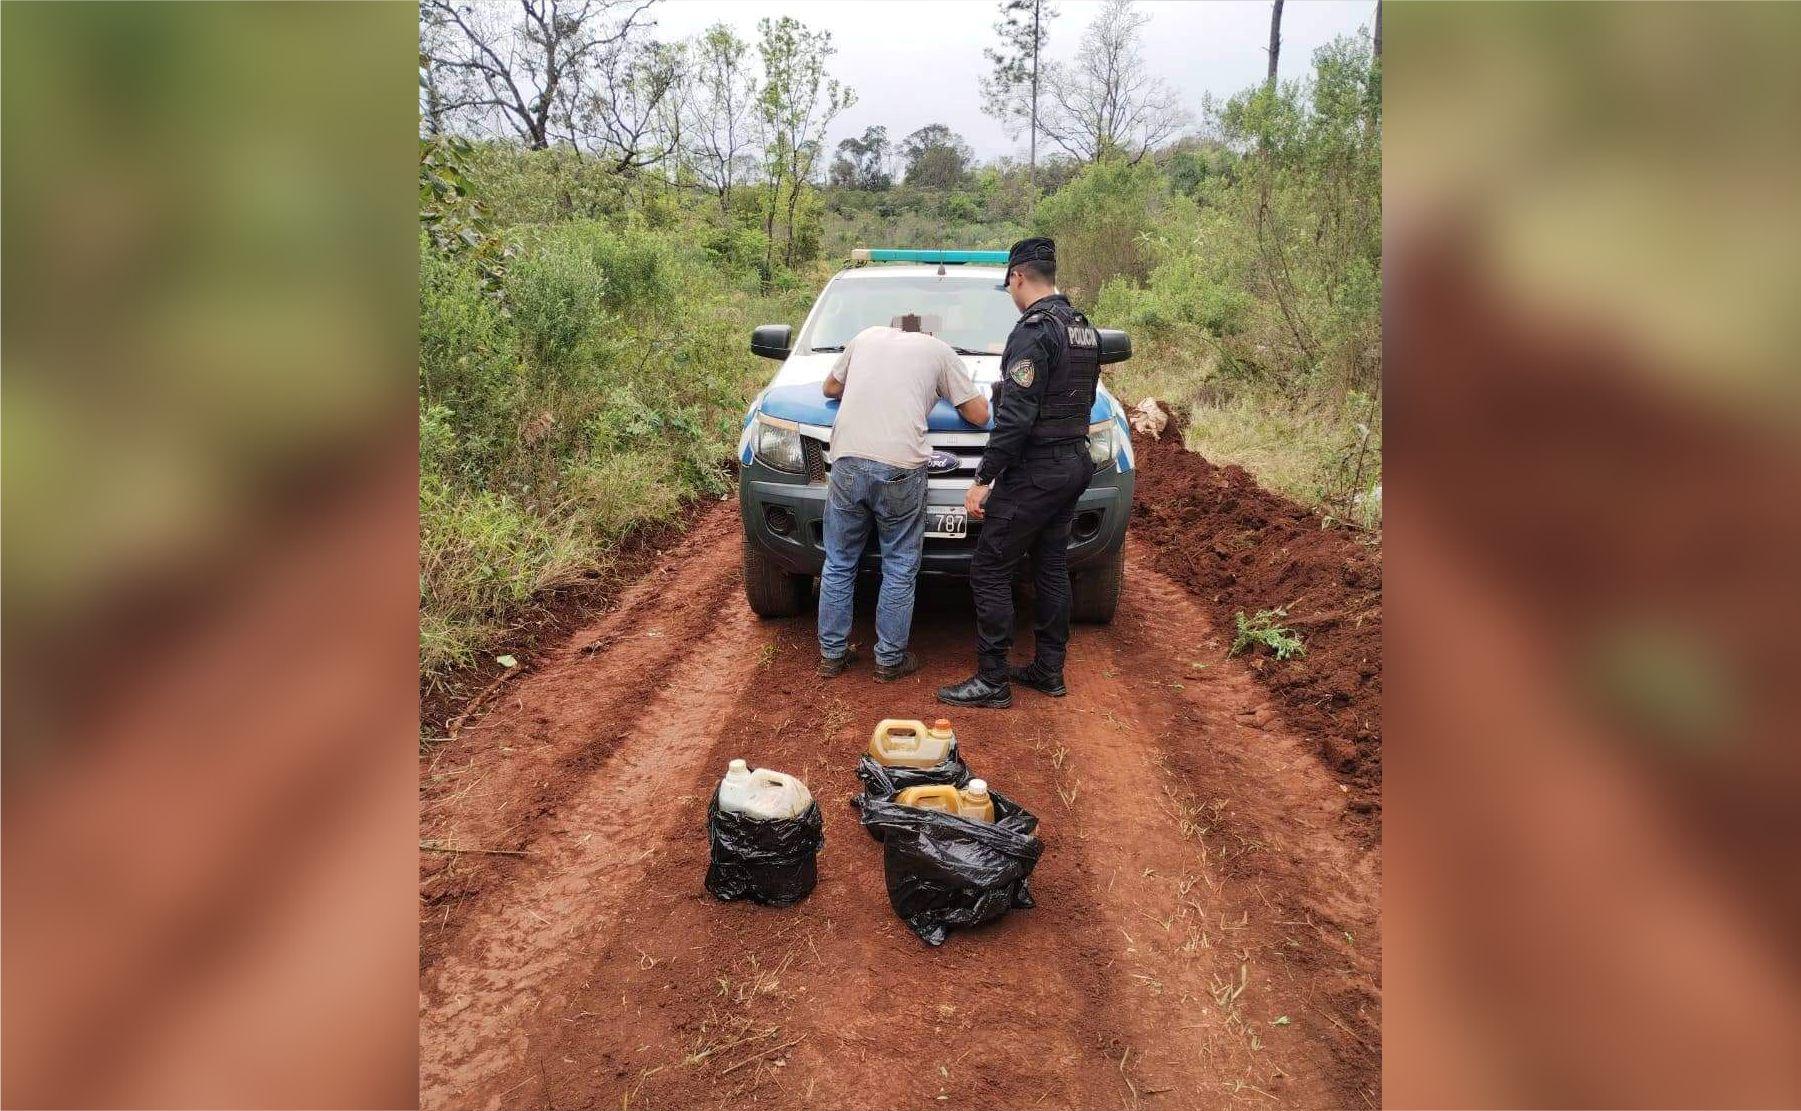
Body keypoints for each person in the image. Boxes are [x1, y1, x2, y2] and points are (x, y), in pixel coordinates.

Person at [938, 238, 1099, 709]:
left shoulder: (1033, 331)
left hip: (1037, 468)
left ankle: (992, 680)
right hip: (1073, 461)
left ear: (1017, 277)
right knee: (1050, 567)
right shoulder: (1081, 327)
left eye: (1009, 283)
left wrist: (983, 477)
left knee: (989, 568)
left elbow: (1015, 418)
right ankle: (1049, 670)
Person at [817, 318, 990, 680]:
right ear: (928, 335)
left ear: (893, 328)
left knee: (839, 561)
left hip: (847, 462)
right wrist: (940, 389)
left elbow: (830, 388)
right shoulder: (939, 351)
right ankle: (889, 660)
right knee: (898, 565)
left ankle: (832, 656)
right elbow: (979, 414)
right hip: (900, 468)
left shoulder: (863, 337)